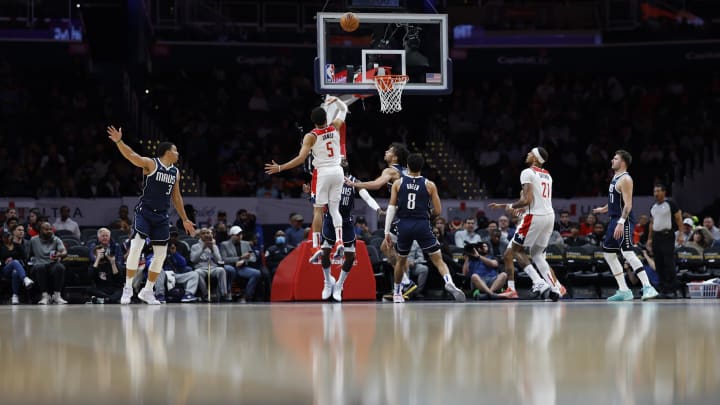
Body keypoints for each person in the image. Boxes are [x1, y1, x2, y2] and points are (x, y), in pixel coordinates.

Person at [107, 125, 195, 305]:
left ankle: (147, 291)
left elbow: (176, 197)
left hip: (162, 216)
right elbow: (132, 156)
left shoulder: (175, 172)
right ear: (167, 152)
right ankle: (128, 287)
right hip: (145, 212)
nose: (178, 153)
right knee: (137, 245)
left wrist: (185, 219)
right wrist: (119, 141)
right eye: (175, 150)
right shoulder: (151, 163)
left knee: (161, 255)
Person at [265, 97, 348, 262]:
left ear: (313, 121)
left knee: (318, 210)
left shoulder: (311, 136)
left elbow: (300, 159)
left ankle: (316, 246)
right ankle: (339, 242)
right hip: (338, 171)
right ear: (326, 118)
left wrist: (280, 167)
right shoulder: (335, 126)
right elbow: (344, 109)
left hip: (323, 172)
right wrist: (336, 100)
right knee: (334, 209)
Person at [383, 153, 465, 303]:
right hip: (422, 224)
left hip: (404, 225)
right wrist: (428, 215)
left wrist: (386, 231)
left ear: (407, 166)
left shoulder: (398, 183)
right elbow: (438, 211)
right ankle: (449, 282)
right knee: (438, 260)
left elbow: (391, 208)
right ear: (422, 167)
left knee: (401, 261)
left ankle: (396, 292)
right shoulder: (430, 185)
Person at [489, 147, 560, 301]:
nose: (527, 154)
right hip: (549, 216)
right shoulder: (547, 175)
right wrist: (504, 205)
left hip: (534, 216)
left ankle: (538, 282)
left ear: (535, 158)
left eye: (530, 153)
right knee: (524, 254)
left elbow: (526, 201)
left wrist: (511, 207)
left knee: (516, 250)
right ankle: (554, 288)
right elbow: (532, 199)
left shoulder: (527, 172)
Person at [349, 143, 417, 297]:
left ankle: (406, 283)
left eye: (389, 150)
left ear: (395, 156)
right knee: (398, 252)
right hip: (413, 216)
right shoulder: (407, 171)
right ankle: (401, 289)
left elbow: (376, 184)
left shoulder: (390, 170)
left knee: (385, 247)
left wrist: (355, 184)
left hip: (407, 218)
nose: (385, 152)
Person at [310, 159, 383, 302]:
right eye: (340, 160)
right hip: (330, 220)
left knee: (350, 256)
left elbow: (367, 196)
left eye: (344, 160)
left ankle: (339, 285)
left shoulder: (354, 181)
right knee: (324, 253)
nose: (342, 161)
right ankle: (327, 281)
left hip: (347, 222)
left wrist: (378, 208)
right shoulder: (329, 178)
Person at [592, 150, 658, 301]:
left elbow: (628, 205)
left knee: (627, 252)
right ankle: (624, 290)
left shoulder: (626, 179)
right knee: (608, 254)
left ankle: (648, 287)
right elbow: (615, 200)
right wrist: (604, 209)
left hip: (624, 220)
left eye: (615, 158)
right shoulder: (615, 177)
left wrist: (621, 222)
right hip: (614, 219)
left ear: (622, 162)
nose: (611, 160)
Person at [646, 183, 684, 298]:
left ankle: (673, 288)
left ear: (664, 192)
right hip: (656, 237)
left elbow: (678, 218)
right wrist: (649, 239)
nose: (656, 194)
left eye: (658, 191)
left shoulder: (670, 204)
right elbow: (652, 223)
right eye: (654, 191)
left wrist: (681, 234)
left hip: (667, 235)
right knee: (659, 263)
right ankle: (663, 288)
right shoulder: (653, 207)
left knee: (668, 262)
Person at [27, 221, 68, 304]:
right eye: (46, 229)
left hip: (52, 264)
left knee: (60, 267)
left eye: (50, 229)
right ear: (40, 230)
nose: (49, 231)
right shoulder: (33, 240)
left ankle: (57, 296)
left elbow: (64, 252)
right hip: (38, 265)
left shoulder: (56, 239)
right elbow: (28, 255)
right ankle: (45, 296)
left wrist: (59, 254)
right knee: (40, 267)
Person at [1, 230, 34, 304]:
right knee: (14, 262)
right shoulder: (1, 247)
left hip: (18, 269)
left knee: (15, 272)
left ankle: (15, 296)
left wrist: (16, 260)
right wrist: (4, 261)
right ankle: (25, 279)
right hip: (5, 269)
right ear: (3, 238)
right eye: (6, 237)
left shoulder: (17, 246)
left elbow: (24, 258)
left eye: (9, 236)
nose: (8, 238)